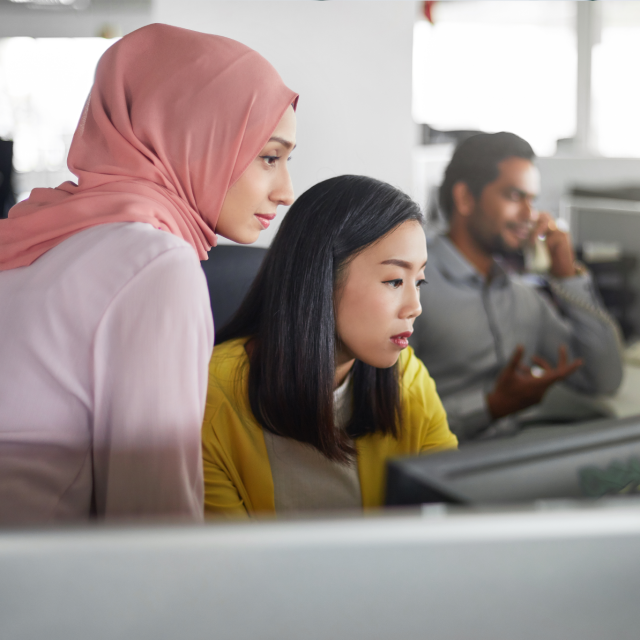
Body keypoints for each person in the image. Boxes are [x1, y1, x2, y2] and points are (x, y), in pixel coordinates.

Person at [0, 24, 297, 524]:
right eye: (270, 157)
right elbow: (155, 523)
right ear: (195, 139)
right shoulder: (155, 264)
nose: (286, 190)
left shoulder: (42, 233)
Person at [202, 175, 458, 517]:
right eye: (395, 281)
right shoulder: (210, 395)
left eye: (419, 281)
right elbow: (228, 564)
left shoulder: (408, 379)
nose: (415, 306)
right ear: (321, 278)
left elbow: (447, 522)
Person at [411, 132, 623, 441]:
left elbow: (603, 378)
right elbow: (388, 420)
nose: (530, 215)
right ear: (466, 198)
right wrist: (490, 407)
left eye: (532, 200)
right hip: (436, 471)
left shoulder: (523, 299)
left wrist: (568, 276)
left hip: (513, 460)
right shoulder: (412, 289)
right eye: (514, 196)